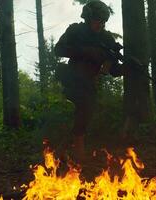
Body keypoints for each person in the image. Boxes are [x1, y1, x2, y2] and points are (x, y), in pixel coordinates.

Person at [54, 0, 124, 161]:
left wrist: (126, 69)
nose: (100, 24)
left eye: (103, 21)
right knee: (84, 109)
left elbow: (112, 68)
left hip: (89, 83)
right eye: (97, 20)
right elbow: (58, 50)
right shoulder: (75, 30)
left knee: (86, 113)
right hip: (72, 79)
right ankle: (77, 152)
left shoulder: (106, 39)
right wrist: (86, 51)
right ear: (88, 18)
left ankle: (63, 150)